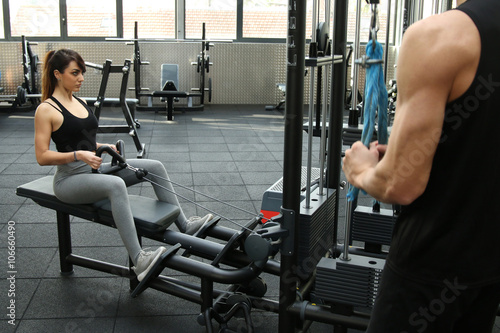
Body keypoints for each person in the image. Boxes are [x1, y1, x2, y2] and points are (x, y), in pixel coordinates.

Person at [342, 0, 500, 331]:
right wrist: (408, 152)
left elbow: (400, 185)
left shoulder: (438, 36)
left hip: (430, 265)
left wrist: (360, 169)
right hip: (487, 267)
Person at [34, 49, 212, 282]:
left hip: (93, 171)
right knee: (116, 185)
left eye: (82, 73)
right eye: (75, 73)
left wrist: (101, 145)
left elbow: (82, 139)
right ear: (57, 74)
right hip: (69, 182)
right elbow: (42, 156)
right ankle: (139, 260)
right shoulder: (47, 109)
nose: (81, 78)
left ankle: (186, 225)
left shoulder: (79, 101)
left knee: (154, 166)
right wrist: (78, 155)